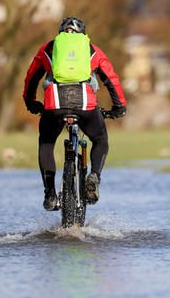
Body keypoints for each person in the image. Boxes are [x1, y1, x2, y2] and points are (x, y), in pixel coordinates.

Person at [23, 16, 127, 211]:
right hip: (86, 106)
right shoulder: (91, 49)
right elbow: (110, 78)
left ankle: (50, 195)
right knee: (100, 139)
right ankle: (94, 176)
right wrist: (119, 107)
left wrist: (30, 102)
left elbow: (31, 77)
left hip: (54, 106)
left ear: (61, 32)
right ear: (83, 33)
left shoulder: (49, 48)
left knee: (46, 143)